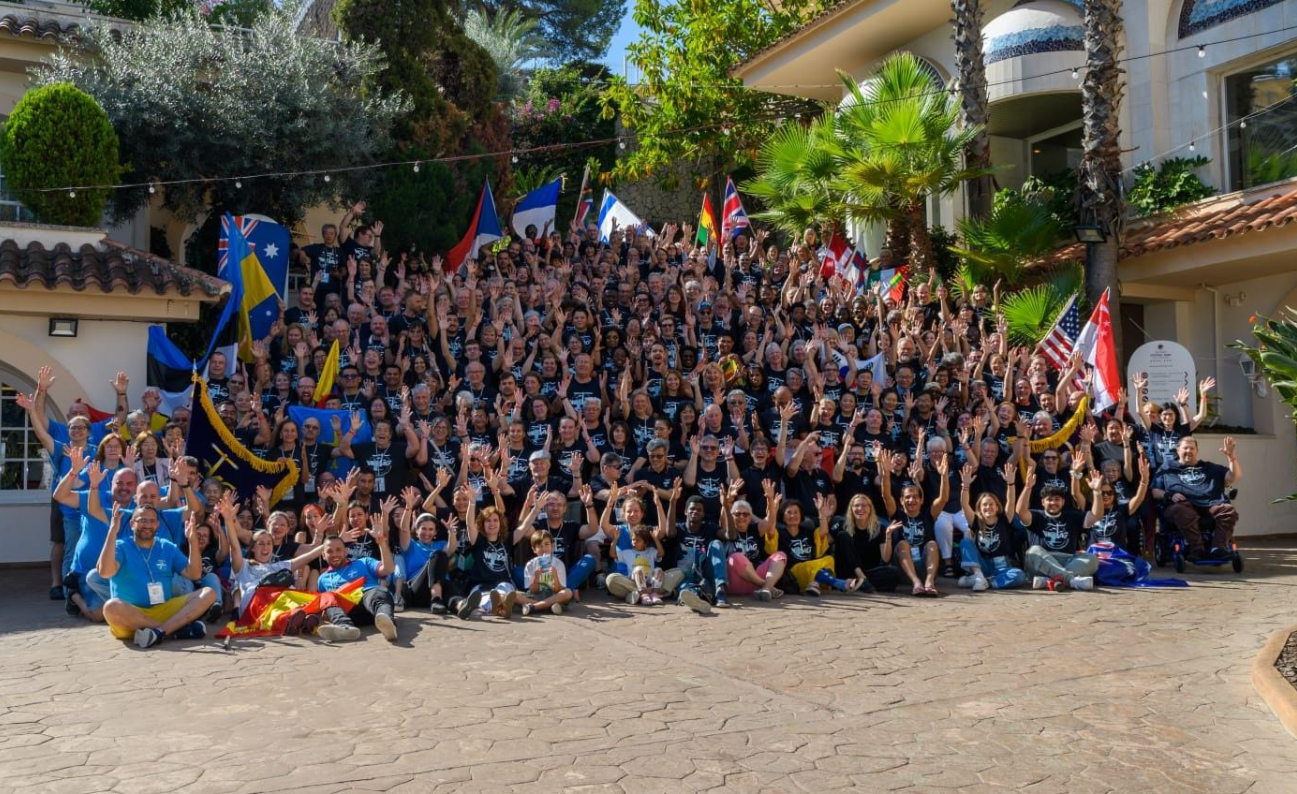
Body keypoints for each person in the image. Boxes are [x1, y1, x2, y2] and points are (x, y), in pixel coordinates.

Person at [98, 505, 215, 648]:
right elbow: (105, 572)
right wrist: (112, 532)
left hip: (162, 609)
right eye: (142, 520)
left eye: (152, 521)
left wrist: (192, 541)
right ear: (132, 524)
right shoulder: (120, 546)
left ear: (157, 525)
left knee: (208, 593)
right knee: (111, 607)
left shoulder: (166, 546)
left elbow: (194, 574)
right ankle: (174, 630)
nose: (147, 525)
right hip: (131, 617)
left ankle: (159, 632)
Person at [315, 500, 400, 642]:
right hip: (350, 614)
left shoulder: (363, 562)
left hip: (371, 605)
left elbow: (388, 569)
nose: (335, 554)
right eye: (330, 551)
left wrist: (381, 542)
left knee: (377, 591)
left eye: (338, 550)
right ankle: (345, 628)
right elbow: (324, 608)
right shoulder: (322, 579)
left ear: (346, 551)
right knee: (327, 598)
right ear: (323, 555)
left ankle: (388, 623)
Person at [1014, 465, 1105, 591]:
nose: (1053, 503)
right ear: (1042, 502)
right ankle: (1071, 581)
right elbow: (1020, 511)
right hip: (1040, 565)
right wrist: (1028, 487)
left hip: (1068, 561)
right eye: (1049, 499)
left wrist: (1097, 492)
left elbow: (1096, 515)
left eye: (1057, 499)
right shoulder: (1036, 516)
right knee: (1033, 551)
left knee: (1092, 559)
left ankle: (1050, 581)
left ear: (1063, 502)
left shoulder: (1072, 516)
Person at [1152, 436, 1242, 560]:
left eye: (1192, 448)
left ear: (1197, 450)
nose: (1189, 451)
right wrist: (1169, 495)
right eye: (1185, 448)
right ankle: (1197, 549)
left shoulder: (1210, 468)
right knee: (1181, 509)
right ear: (1178, 450)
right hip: (1182, 506)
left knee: (1228, 509)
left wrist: (1231, 457)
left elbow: (1233, 477)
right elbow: (1155, 491)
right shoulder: (1167, 468)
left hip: (1211, 506)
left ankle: (1218, 548)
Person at [956, 462, 1027, 591]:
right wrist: (965, 486)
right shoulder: (976, 520)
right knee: (965, 542)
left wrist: (1011, 484)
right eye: (985, 505)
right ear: (980, 509)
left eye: (991, 504)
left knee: (1019, 575)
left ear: (997, 506)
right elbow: (964, 504)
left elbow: (1011, 501)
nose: (988, 507)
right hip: (981, 564)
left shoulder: (1004, 519)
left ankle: (984, 581)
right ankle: (978, 575)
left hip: (1001, 566)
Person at [518, 529, 575, 616]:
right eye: (540, 546)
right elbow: (533, 591)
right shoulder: (530, 565)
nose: (543, 549)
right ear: (534, 549)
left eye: (547, 544)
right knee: (514, 594)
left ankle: (533, 607)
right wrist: (536, 579)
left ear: (552, 546)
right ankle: (549, 606)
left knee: (568, 592)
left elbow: (559, 590)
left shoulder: (558, 564)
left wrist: (555, 577)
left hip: (553, 595)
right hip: (536, 596)